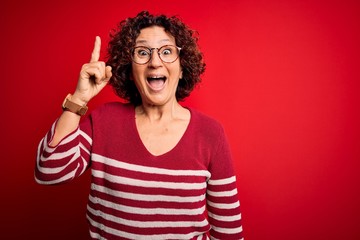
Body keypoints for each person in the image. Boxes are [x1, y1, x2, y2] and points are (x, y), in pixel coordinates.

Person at [35, 11, 244, 240]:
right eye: (142, 53)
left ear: (183, 68)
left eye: (166, 51)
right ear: (130, 71)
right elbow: (49, 171)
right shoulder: (104, 120)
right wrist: (79, 99)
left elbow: (228, 232)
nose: (155, 62)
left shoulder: (210, 134)